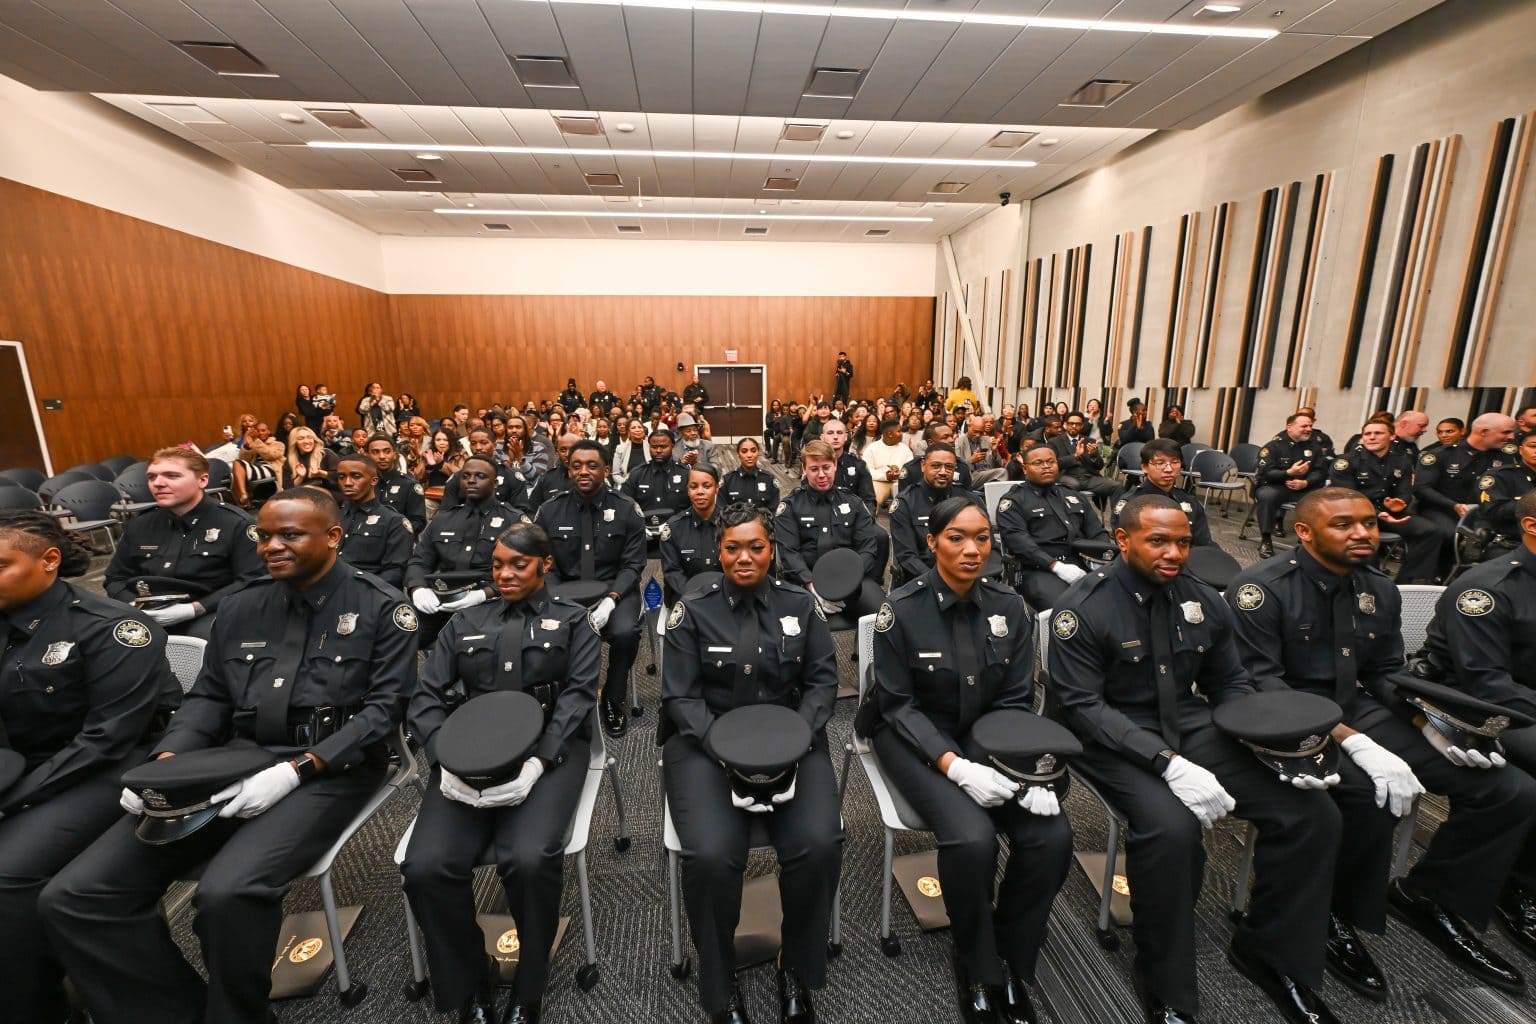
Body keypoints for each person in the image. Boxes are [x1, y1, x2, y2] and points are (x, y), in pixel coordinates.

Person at [42, 487, 416, 1024]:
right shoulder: (242, 605)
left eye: (291, 535)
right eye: (264, 536)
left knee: (229, 893)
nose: (272, 546)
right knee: (76, 895)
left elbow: (382, 714)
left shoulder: (381, 607)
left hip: (331, 767)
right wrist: (169, 760)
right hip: (234, 758)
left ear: (334, 537)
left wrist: (297, 770)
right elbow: (210, 697)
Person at [1228, 487, 1536, 998]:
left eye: (1369, 523)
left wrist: (1432, 724)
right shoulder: (1261, 588)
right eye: (1344, 525)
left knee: (1507, 789)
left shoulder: (1378, 587)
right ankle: (1331, 913)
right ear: (1304, 532)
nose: (1362, 534)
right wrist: (1354, 741)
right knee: (1369, 792)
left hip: (1360, 707)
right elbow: (1262, 684)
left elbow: (1389, 672)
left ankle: (1433, 896)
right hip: (1287, 718)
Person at [1050, 494, 1344, 1024]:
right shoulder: (1083, 607)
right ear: (1123, 540)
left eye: (1183, 541)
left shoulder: (1205, 598)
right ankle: (1165, 979)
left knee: (1310, 813)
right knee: (1170, 830)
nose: (1174, 553)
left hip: (1190, 724)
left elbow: (1228, 681)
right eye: (1158, 540)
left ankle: (1270, 950)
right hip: (1111, 737)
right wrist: (1165, 762)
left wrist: (1262, 743)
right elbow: (1082, 707)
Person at [872, 496, 1068, 1024]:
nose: (972, 548)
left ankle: (1011, 951)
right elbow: (896, 705)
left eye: (982, 537)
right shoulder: (902, 610)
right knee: (972, 838)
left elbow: (1015, 699)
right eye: (956, 537)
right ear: (933, 542)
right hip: (913, 736)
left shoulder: (1010, 607)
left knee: (1052, 837)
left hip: (989, 734)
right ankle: (977, 962)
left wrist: (1022, 764)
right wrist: (953, 764)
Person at [402, 523, 599, 1024]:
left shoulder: (573, 621)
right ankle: (469, 977)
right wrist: (441, 758)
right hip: (466, 754)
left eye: (518, 565)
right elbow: (426, 698)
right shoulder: (465, 620)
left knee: (529, 859)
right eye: (497, 565)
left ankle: (529, 984)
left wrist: (539, 761)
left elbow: (577, 698)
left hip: (547, 752)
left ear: (545, 565)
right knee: (426, 866)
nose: (505, 574)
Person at [662, 503, 842, 1024]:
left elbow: (822, 683)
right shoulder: (692, 609)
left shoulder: (799, 606)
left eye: (756, 547)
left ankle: (797, 967)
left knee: (817, 844)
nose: (744, 557)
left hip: (789, 737)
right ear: (718, 551)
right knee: (714, 856)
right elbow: (679, 695)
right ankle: (720, 984)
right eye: (732, 547)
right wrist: (726, 750)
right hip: (705, 743)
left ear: (772, 549)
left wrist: (796, 737)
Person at [0, 511, 174, 1024]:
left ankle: (35, 1008)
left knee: (6, 874)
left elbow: (106, 740)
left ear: (48, 561)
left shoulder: (114, 628)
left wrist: (13, 800)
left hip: (108, 771)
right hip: (24, 770)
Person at [1422, 490, 1536, 955]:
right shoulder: (1487, 588)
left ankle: (1517, 871)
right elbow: (1486, 683)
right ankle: (1516, 883)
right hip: (1478, 707)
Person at [535, 442, 647, 740]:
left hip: (615, 592)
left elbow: (633, 564)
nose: (583, 471)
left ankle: (612, 697)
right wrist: (557, 599)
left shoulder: (626, 509)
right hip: (564, 593)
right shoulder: (549, 510)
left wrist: (611, 600)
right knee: (546, 629)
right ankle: (560, 699)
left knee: (624, 634)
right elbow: (543, 564)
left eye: (592, 465)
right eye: (576, 466)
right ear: (568, 469)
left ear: (606, 470)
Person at [105, 447, 262, 641]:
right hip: (145, 612)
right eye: (152, 477)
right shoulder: (140, 525)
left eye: (172, 476)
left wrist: (195, 609)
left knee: (201, 642)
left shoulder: (235, 523)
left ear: (202, 480)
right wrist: (133, 605)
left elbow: (252, 580)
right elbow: (115, 578)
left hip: (209, 611)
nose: (158, 484)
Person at [407, 457, 530, 648]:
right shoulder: (443, 519)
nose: (471, 480)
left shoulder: (513, 520)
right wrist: (418, 588)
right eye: (466, 476)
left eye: (480, 476)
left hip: (492, 600)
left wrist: (484, 594)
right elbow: (420, 561)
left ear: (495, 483)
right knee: (401, 637)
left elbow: (525, 569)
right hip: (441, 599)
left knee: (477, 645)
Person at [773, 441, 886, 621]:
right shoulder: (791, 506)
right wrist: (811, 584)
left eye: (826, 467)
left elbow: (867, 548)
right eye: (814, 469)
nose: (821, 475)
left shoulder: (853, 503)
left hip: (851, 579)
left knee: (884, 618)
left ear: (834, 465)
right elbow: (790, 553)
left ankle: (861, 649)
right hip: (807, 582)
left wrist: (846, 582)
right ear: (804, 469)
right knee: (797, 627)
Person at [1326, 421, 1445, 582]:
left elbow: (1405, 490)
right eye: (1367, 434)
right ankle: (1369, 584)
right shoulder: (1347, 462)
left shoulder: (1401, 461)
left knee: (1431, 531)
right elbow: (1347, 497)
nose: (1372, 437)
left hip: (1390, 513)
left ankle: (1407, 581)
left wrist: (1399, 502)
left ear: (1392, 436)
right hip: (1357, 515)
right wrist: (1378, 513)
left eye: (1378, 433)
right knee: (1367, 540)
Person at [996, 445, 1111, 611]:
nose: (1046, 466)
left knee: (1118, 599)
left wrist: (1103, 559)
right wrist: (1055, 566)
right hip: (1039, 569)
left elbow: (1097, 531)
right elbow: (1020, 543)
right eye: (1038, 463)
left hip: (1083, 562)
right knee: (1068, 608)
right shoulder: (1014, 501)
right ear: (1025, 468)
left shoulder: (1073, 495)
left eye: (1051, 462)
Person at [1415, 413, 1520, 545]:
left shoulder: (1506, 458)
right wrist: (1454, 505)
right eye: (1506, 432)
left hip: (1486, 513)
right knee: (1450, 536)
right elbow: (1422, 488)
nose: (1511, 437)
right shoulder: (1442, 455)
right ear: (1483, 432)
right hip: (1443, 510)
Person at [889, 444, 976, 586]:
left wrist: (982, 577)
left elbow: (990, 546)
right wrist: (940, 580)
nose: (943, 472)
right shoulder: (906, 503)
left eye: (949, 467)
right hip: (927, 580)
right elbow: (907, 557)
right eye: (936, 466)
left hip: (971, 576)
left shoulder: (970, 500)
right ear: (923, 465)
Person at [1253, 412, 1328, 558]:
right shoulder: (1273, 446)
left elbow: (1321, 472)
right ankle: (1266, 539)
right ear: (1290, 427)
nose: (1309, 429)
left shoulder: (1314, 447)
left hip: (1303, 488)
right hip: (1276, 486)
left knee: (1320, 500)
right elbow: (1266, 473)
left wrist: (1306, 482)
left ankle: (1308, 541)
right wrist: (1288, 472)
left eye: (1310, 426)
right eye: (1304, 426)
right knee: (1267, 496)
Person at [1111, 440, 1213, 545]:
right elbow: (1128, 546)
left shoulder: (1188, 500)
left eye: (1174, 462)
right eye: (1160, 463)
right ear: (1144, 467)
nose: (1169, 469)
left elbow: (1205, 542)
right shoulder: (1131, 502)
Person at [335, 453, 414, 589]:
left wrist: (358, 590)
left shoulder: (393, 521)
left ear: (374, 481)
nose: (347, 482)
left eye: (356, 476)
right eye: (342, 477)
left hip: (368, 592)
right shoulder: (334, 516)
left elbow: (395, 573)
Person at [661, 465, 723, 605]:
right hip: (687, 600)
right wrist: (698, 597)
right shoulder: (674, 527)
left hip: (725, 599)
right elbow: (672, 573)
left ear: (717, 488)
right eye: (694, 487)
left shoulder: (732, 524)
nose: (700, 492)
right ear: (688, 490)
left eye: (707, 486)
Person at [444, 429, 532, 512]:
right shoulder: (459, 477)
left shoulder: (511, 475)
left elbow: (521, 512)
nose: (478, 447)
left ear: (494, 445)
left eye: (484, 443)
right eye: (473, 443)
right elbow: (446, 511)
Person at [1478, 431, 1536, 557]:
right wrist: (1530, 503)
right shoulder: (1501, 475)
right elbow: (1494, 512)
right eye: (1533, 446)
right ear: (1521, 450)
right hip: (1512, 543)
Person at [1051, 412, 1124, 508]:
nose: (1074, 426)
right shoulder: (1054, 442)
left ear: (1082, 426)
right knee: (1074, 484)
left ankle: (1116, 521)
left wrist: (1093, 455)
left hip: (1088, 478)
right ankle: (1075, 516)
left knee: (1117, 486)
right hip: (1066, 476)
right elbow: (1054, 464)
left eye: (1077, 424)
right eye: (1071, 423)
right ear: (1065, 425)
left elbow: (1100, 466)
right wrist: (1075, 456)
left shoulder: (1090, 441)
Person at [622, 427, 689, 520]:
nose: (658, 451)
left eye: (663, 447)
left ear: (672, 446)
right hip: (644, 528)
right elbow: (624, 504)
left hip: (677, 529)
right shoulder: (637, 473)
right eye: (654, 447)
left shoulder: (685, 473)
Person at [366, 433, 427, 534]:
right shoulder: (363, 484)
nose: (382, 456)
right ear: (367, 455)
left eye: (387, 451)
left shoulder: (409, 484)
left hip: (397, 540)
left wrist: (394, 535)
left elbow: (418, 522)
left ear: (395, 455)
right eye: (375, 452)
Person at [819, 418, 876, 509]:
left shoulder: (858, 464)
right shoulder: (814, 464)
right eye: (830, 433)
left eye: (840, 433)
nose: (835, 437)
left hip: (852, 515)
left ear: (846, 437)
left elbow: (868, 501)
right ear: (822, 438)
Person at [862, 419, 914, 508]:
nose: (902, 433)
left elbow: (911, 470)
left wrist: (899, 472)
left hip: (900, 482)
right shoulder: (872, 448)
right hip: (879, 482)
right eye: (899, 431)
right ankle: (870, 520)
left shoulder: (905, 449)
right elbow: (867, 471)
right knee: (873, 500)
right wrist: (885, 476)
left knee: (905, 503)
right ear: (890, 434)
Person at [720, 438, 780, 511]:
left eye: (753, 451)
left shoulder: (769, 479)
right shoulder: (728, 480)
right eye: (744, 451)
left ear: (758, 453)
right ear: (738, 454)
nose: (749, 455)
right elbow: (722, 510)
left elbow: (774, 510)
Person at [280, 426, 340, 495]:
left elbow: (340, 476)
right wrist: (300, 477)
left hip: (329, 495)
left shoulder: (325, 454)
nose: (306, 441)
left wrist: (322, 474)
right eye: (301, 438)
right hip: (303, 498)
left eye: (309, 437)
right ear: (295, 442)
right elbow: (287, 489)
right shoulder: (289, 461)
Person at [610, 419, 649, 487]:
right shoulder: (620, 449)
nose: (637, 430)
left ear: (643, 430)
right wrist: (627, 484)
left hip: (648, 486)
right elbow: (616, 474)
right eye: (633, 428)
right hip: (627, 486)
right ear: (628, 432)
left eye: (639, 427)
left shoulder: (650, 447)